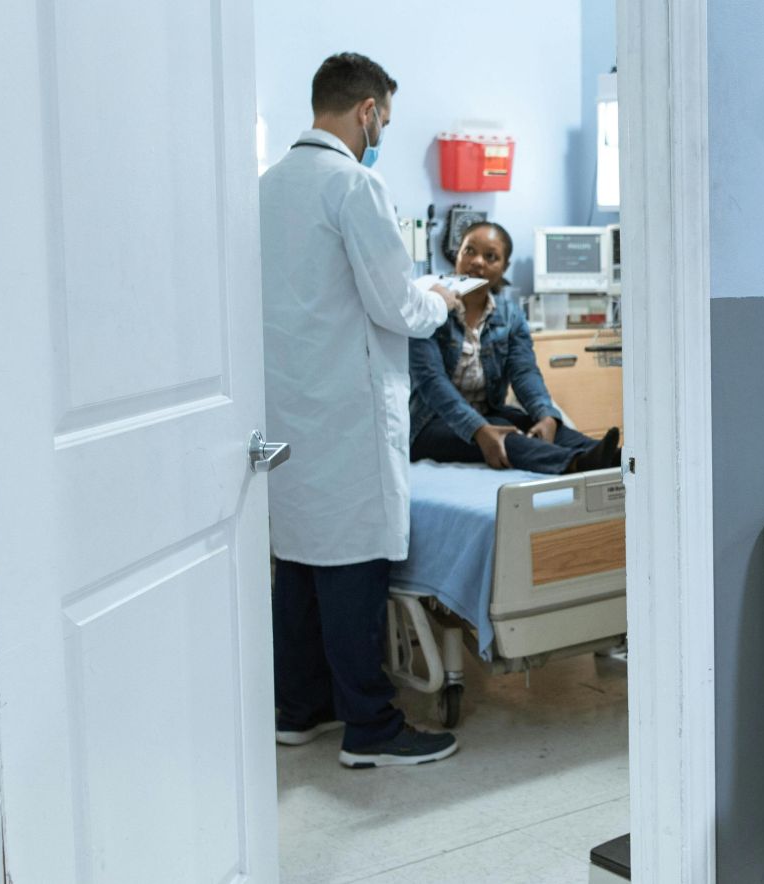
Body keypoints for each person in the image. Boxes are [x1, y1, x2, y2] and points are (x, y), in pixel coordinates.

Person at [261, 52, 462, 769]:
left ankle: (298, 707)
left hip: (288, 410)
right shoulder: (354, 185)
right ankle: (369, 727)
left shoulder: (267, 187)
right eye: (385, 119)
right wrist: (438, 300)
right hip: (346, 410)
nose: (381, 131)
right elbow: (395, 304)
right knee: (350, 565)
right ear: (368, 110)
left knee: (300, 561)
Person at [408, 221, 622, 473]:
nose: (477, 262)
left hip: (488, 413)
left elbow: (524, 372)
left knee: (546, 426)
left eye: (490, 257)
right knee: (508, 439)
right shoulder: (430, 311)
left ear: (504, 267)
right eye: (469, 251)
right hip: (429, 424)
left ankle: (612, 460)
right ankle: (574, 465)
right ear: (457, 255)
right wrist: (479, 430)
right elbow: (432, 382)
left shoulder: (510, 315)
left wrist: (546, 416)